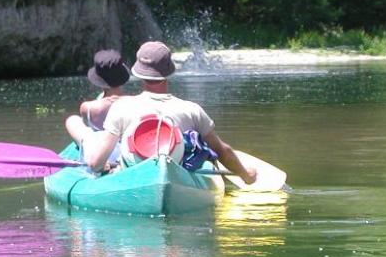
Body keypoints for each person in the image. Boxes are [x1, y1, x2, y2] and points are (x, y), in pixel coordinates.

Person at [85, 41, 257, 184]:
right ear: (169, 71)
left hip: (133, 179)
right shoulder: (192, 110)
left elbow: (94, 163)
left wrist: (103, 166)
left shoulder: (121, 107)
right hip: (177, 180)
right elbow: (222, 151)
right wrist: (245, 175)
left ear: (138, 72)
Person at [65, 49, 130, 164]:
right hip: (126, 152)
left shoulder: (88, 108)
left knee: (72, 120)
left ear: (98, 79)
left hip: (98, 153)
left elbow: (87, 126)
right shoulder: (134, 103)